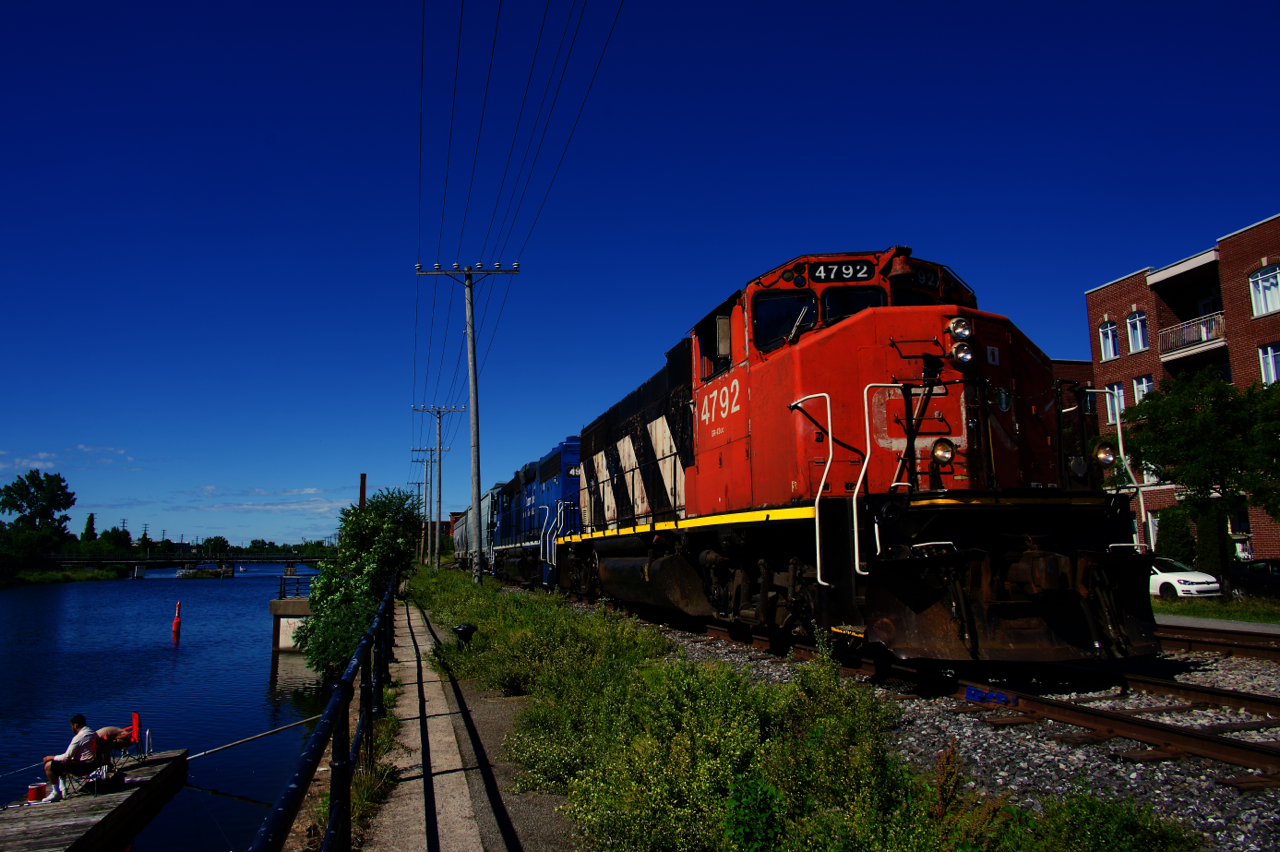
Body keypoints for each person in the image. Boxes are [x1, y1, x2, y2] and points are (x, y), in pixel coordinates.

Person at [41, 714, 98, 802]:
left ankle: (56, 793)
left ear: (75, 725)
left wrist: (50, 758)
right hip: (93, 764)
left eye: (71, 726)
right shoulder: (92, 733)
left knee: (49, 766)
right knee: (59, 764)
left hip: (82, 767)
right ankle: (62, 788)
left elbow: (66, 757)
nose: (71, 729)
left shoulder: (78, 737)